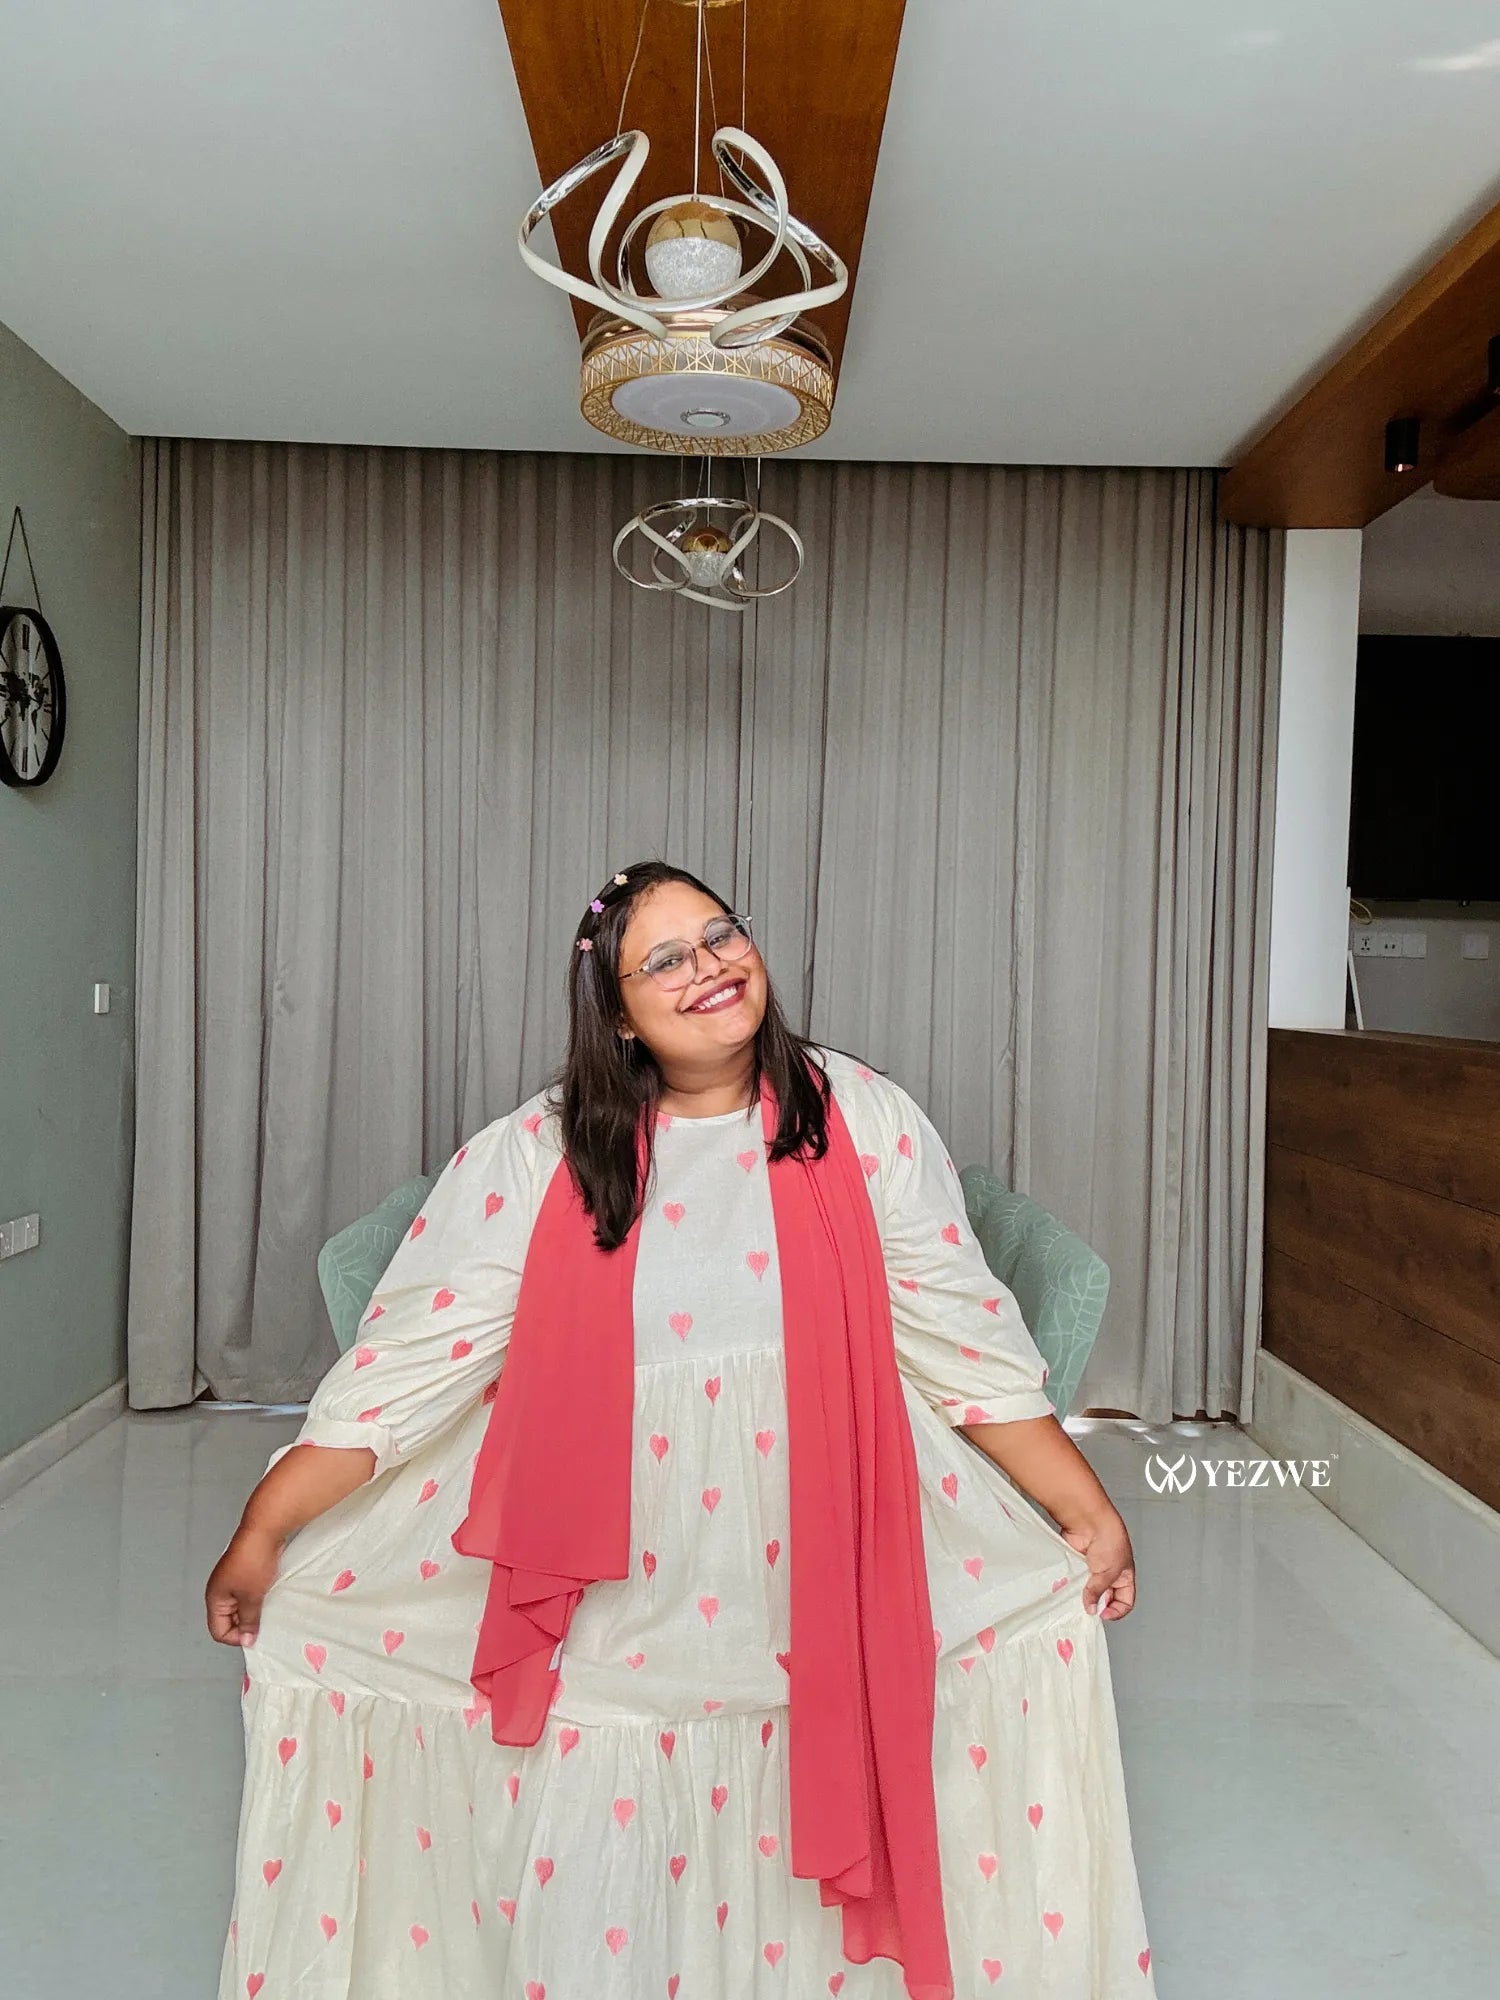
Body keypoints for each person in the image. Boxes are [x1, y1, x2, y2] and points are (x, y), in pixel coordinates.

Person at [206, 858, 1157, 2000]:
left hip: (824, 1547)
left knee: (879, 1709)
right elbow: (405, 1369)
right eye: (665, 957)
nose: (708, 967)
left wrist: (1082, 1508)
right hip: (623, 1574)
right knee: (607, 1792)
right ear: (617, 1011)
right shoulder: (539, 1154)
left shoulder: (857, 1117)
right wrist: (267, 1528)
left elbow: (967, 1343)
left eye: (720, 935)